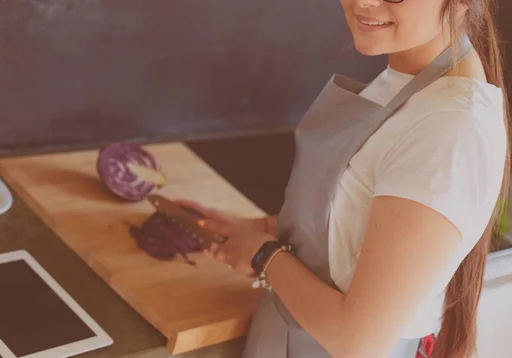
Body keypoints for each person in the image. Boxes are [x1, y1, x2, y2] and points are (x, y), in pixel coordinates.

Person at [178, 0, 510, 357]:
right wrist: (261, 227)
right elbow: (357, 229)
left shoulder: (451, 127)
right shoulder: (411, 75)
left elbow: (358, 341)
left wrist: (264, 256)